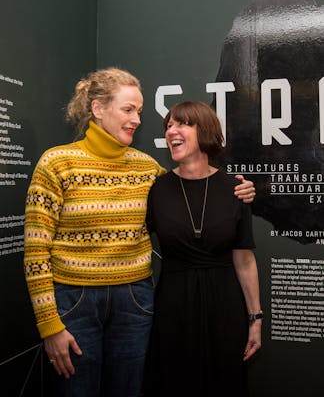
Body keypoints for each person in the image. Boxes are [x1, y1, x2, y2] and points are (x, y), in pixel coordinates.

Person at [24, 68, 255, 397]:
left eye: (140, 112)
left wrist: (241, 190)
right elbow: (35, 254)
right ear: (98, 108)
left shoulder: (147, 169)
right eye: (128, 109)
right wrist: (49, 325)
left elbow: (195, 183)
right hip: (75, 302)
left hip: (135, 301)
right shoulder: (57, 163)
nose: (137, 119)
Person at [142, 101, 262, 397]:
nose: (172, 131)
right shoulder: (157, 189)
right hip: (173, 308)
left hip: (226, 308)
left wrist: (256, 320)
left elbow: (245, 260)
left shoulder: (235, 189)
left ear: (204, 130)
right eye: (168, 126)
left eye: (181, 124)